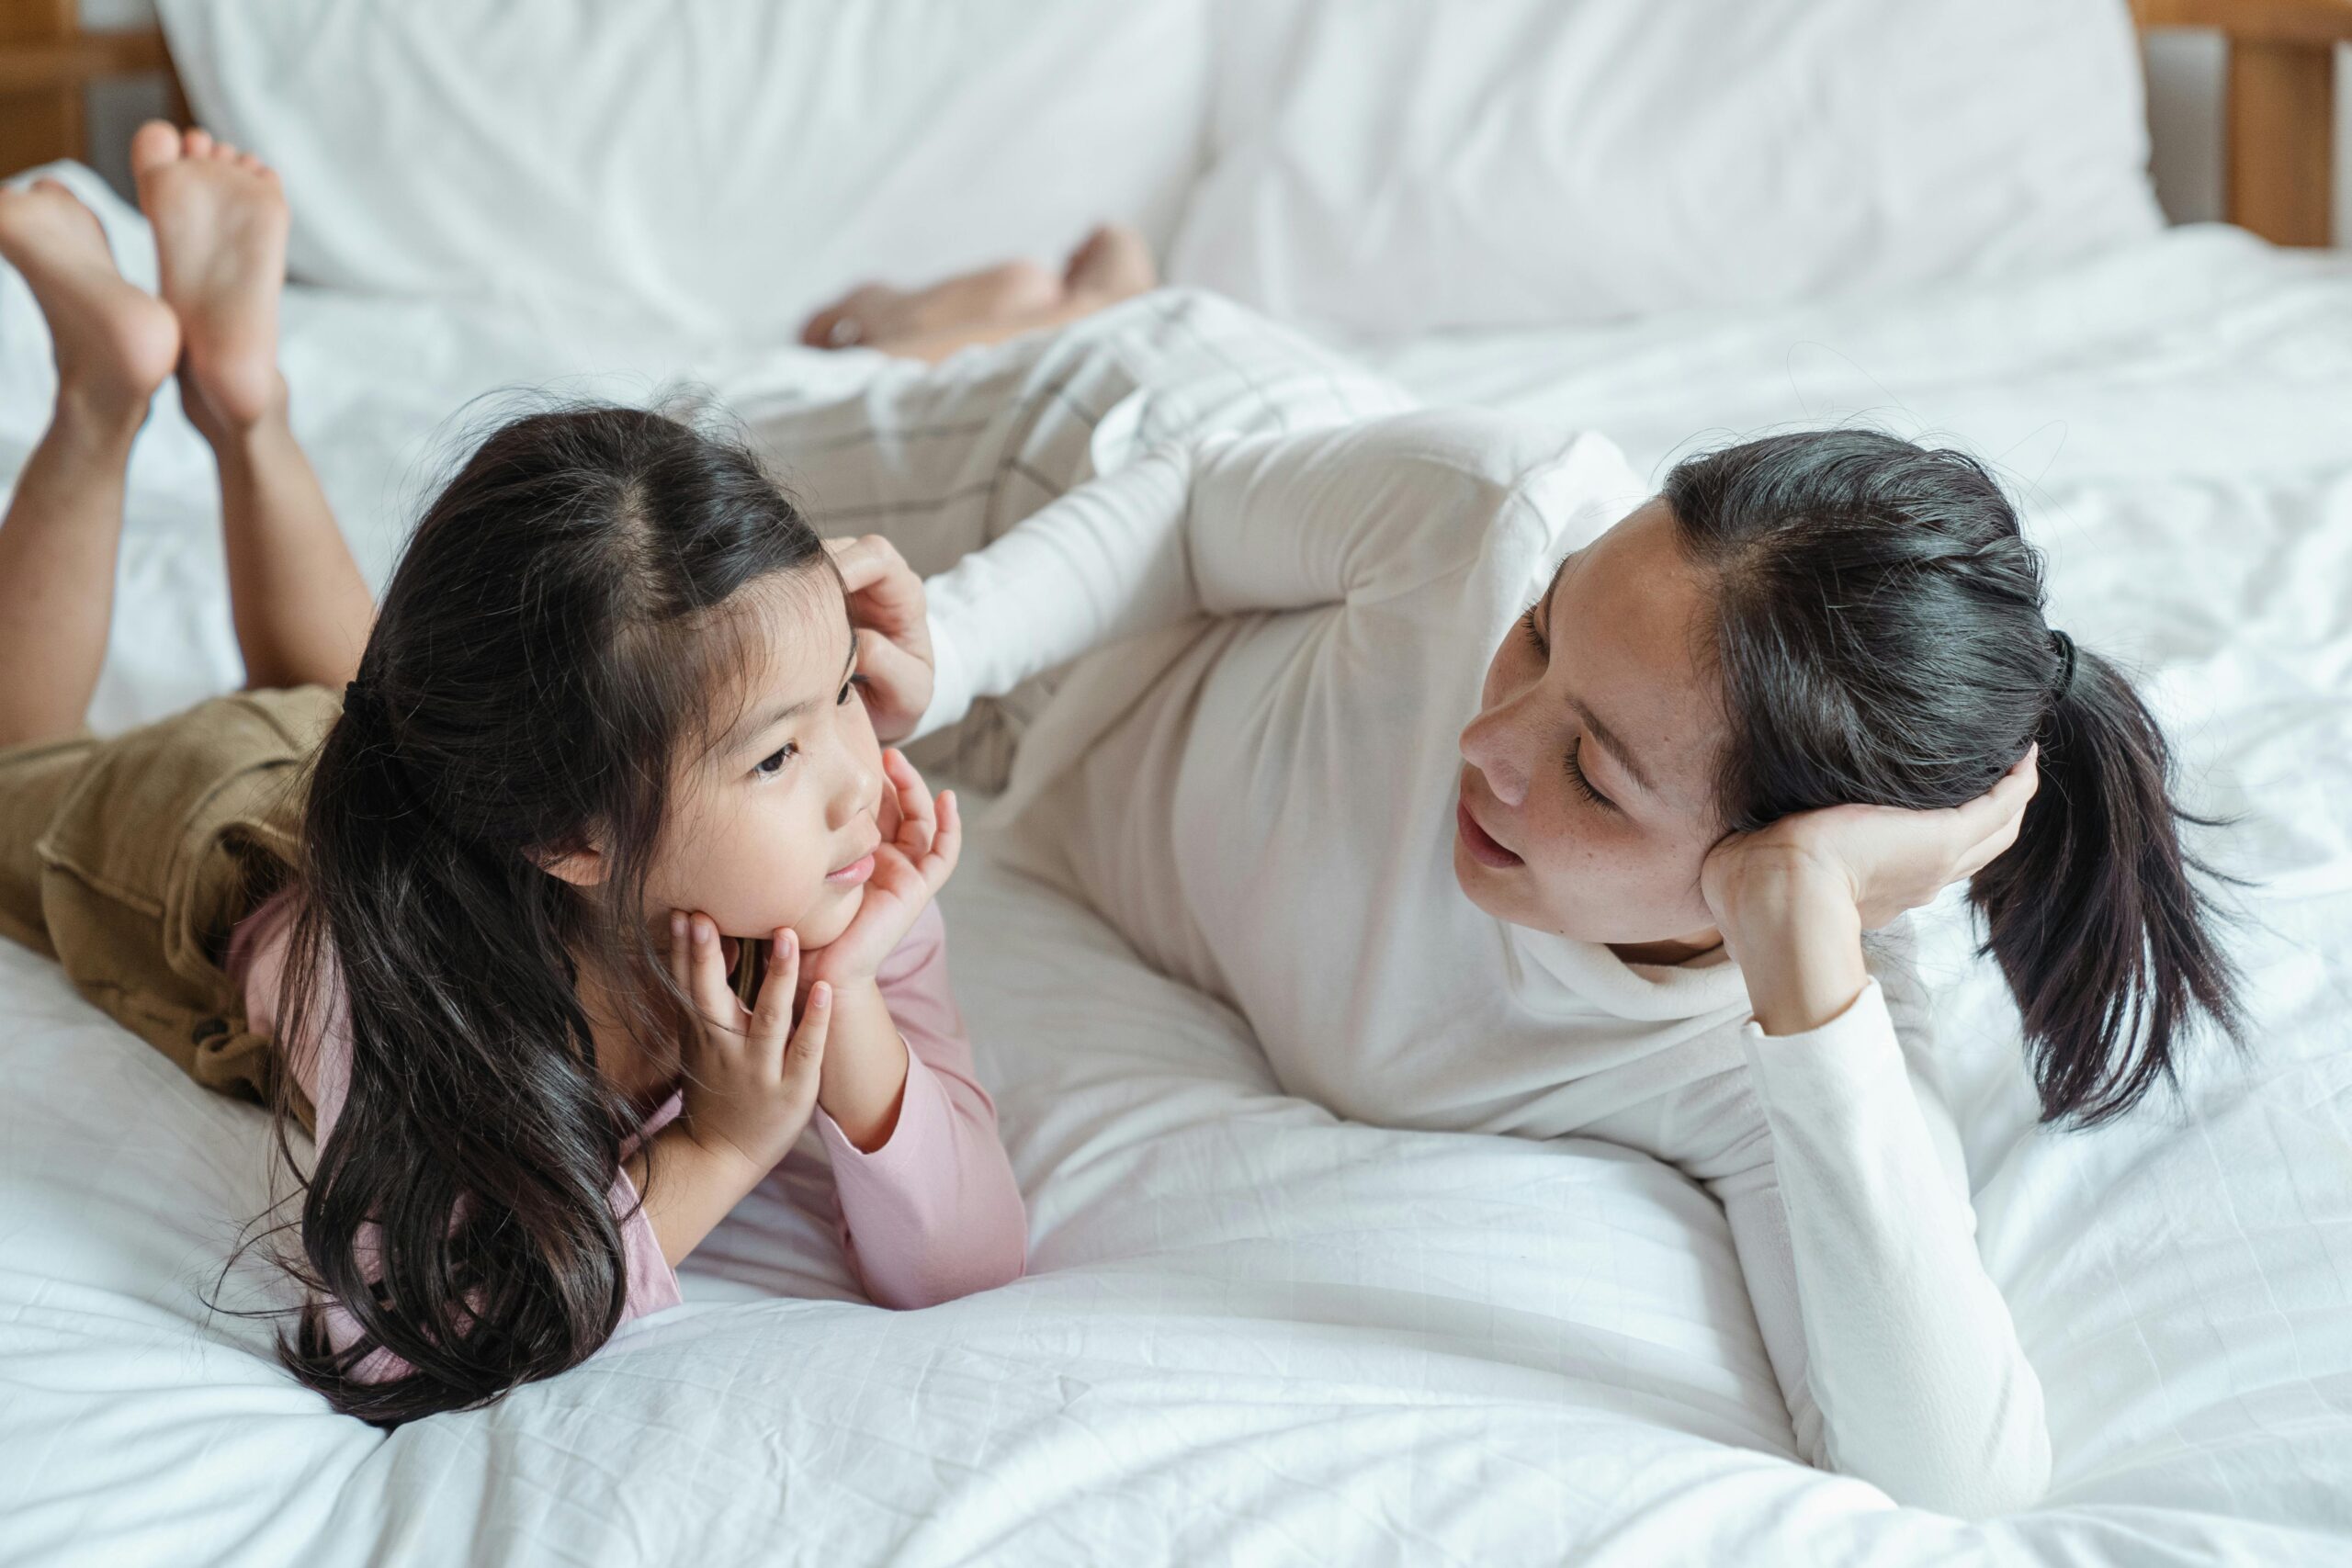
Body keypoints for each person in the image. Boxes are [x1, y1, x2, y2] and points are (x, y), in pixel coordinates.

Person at [755, 277, 2242, 1517]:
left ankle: (1069, 279)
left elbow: (1959, 1478)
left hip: (1037, 772)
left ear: (1766, 873)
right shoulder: (1490, 513)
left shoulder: (1768, 1048)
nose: (1488, 744)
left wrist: (1800, 937)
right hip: (1080, 491)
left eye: (1593, 776)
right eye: (1539, 637)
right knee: (699, 463)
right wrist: (954, 642)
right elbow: (1202, 505)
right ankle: (1067, 300)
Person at [0, 126, 1025, 1427]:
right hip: (218, 832)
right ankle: (106, 388)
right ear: (570, 837)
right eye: (776, 752)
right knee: (18, 767)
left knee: (350, 690)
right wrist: (714, 1148)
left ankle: (243, 394)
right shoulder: (388, 977)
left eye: (842, 694)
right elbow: (393, 1343)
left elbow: (972, 1262)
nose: (853, 777)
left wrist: (850, 991)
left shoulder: (829, 866)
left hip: (411, 763)